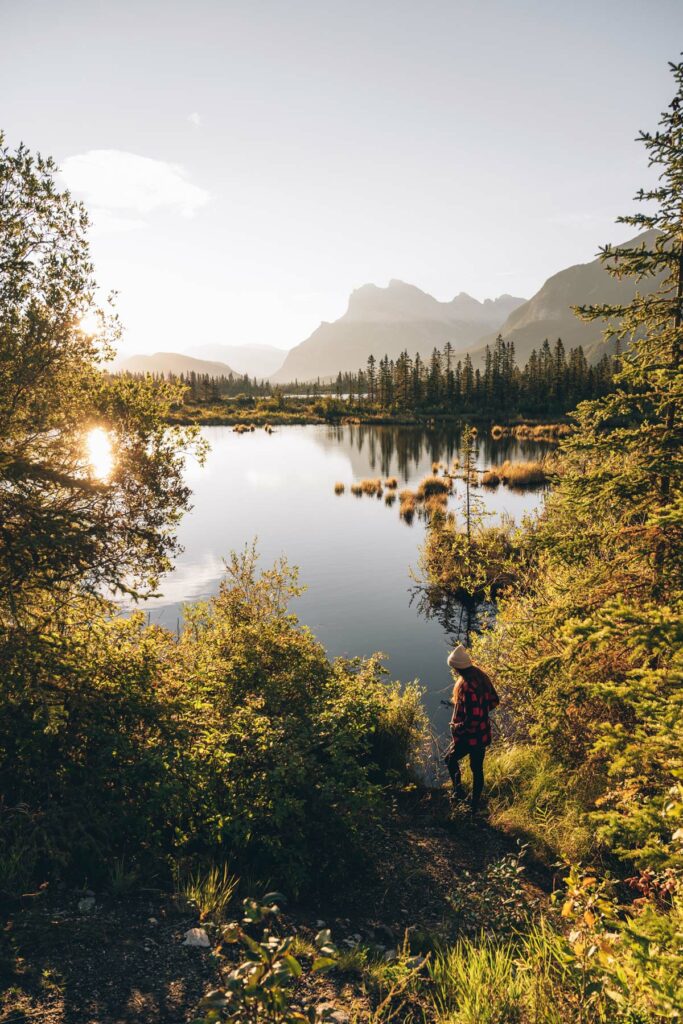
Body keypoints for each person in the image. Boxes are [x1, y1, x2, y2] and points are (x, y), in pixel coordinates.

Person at [444, 644, 500, 813]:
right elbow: (494, 701)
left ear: (458, 668)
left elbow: (472, 719)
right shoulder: (481, 677)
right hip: (482, 734)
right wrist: (483, 712)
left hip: (470, 736)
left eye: (454, 667)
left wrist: (458, 727)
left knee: (450, 760)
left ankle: (458, 793)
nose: (453, 670)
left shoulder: (467, 687)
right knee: (477, 769)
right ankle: (474, 804)